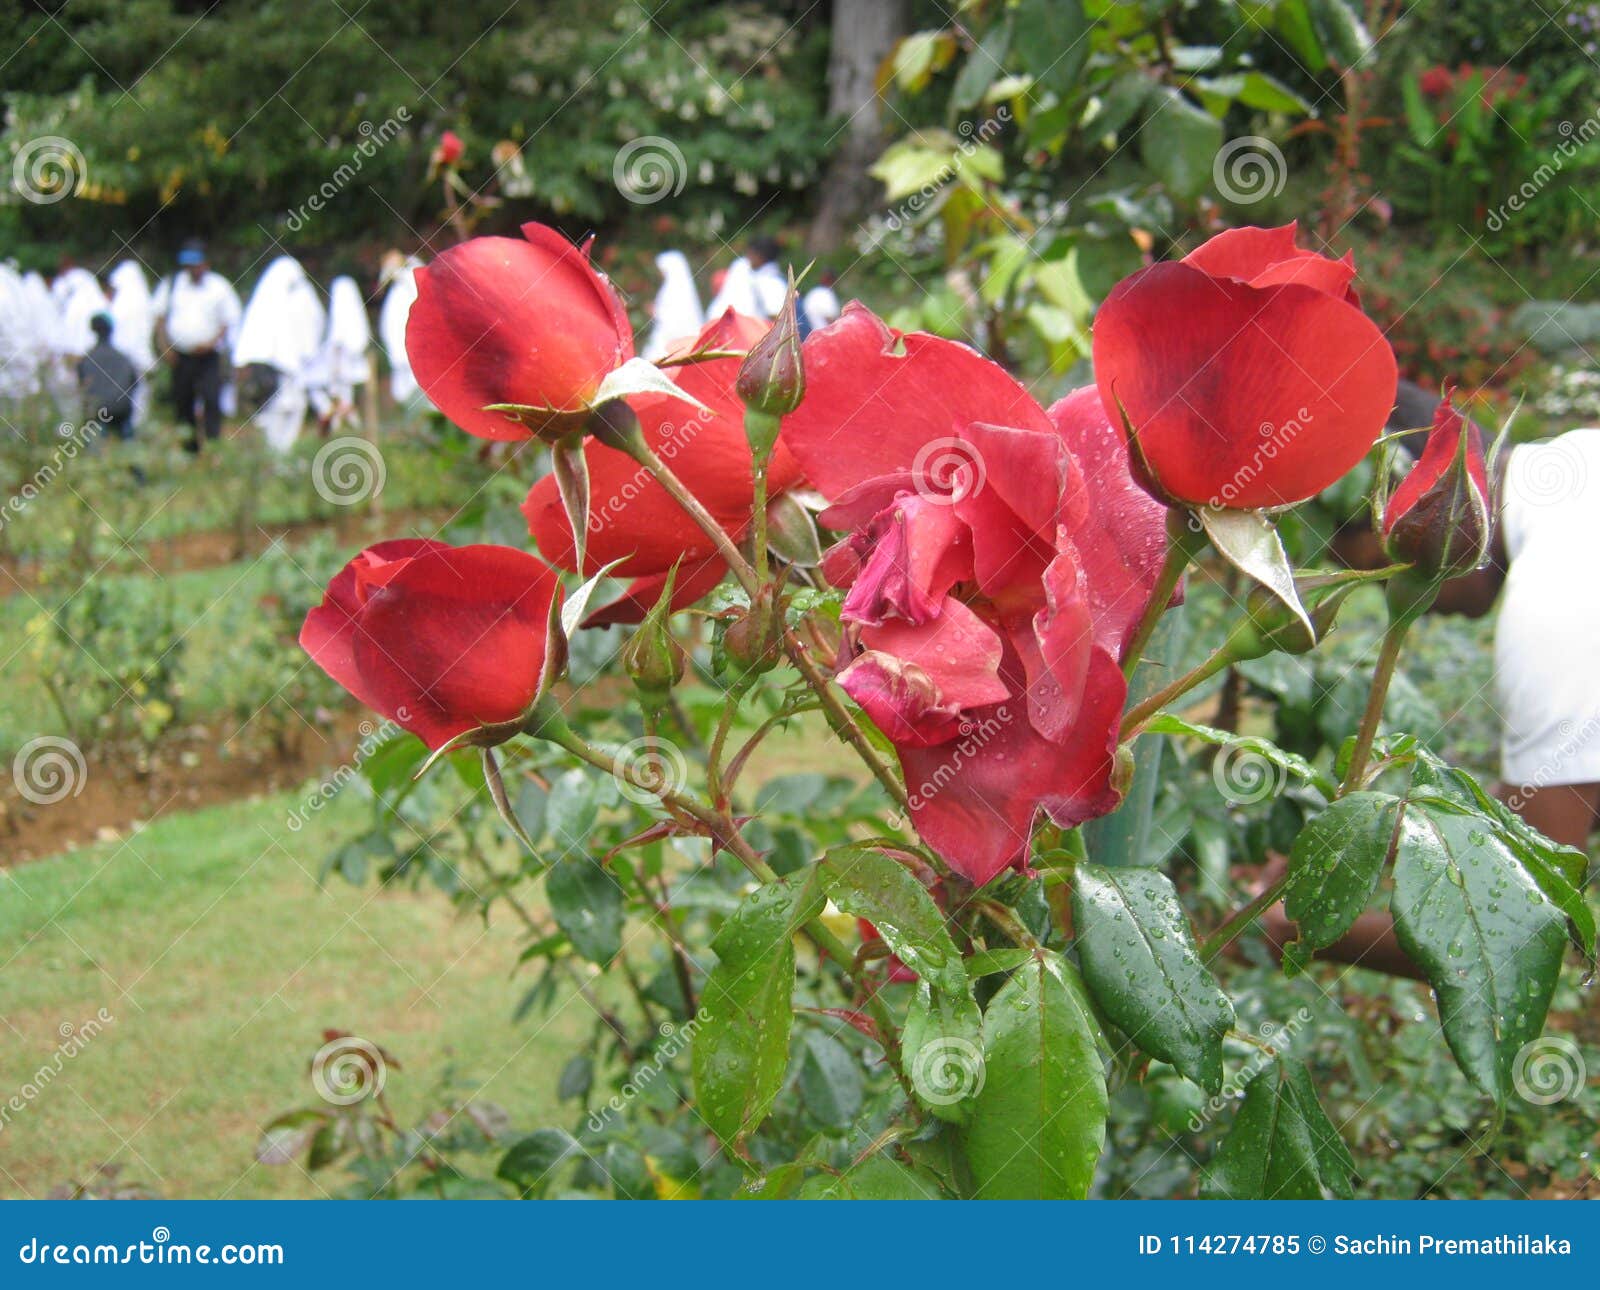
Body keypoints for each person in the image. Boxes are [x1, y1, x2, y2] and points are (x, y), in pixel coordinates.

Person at [152, 241, 240, 452]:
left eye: (196, 265)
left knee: (211, 398)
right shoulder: (172, 285)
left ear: (205, 264)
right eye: (188, 266)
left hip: (208, 355)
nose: (192, 271)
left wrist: (211, 343)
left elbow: (228, 321)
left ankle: (213, 444)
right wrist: (165, 347)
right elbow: (160, 319)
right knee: (183, 401)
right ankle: (189, 448)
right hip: (180, 355)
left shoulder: (219, 287)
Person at [231, 254, 325, 452]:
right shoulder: (268, 300)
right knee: (275, 412)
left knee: (296, 407)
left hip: (297, 368)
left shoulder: (302, 295)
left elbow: (315, 323)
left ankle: (285, 452)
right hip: (272, 370)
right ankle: (274, 453)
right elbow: (252, 336)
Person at [308, 274, 372, 432]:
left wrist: (336, 363)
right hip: (344, 363)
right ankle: (348, 429)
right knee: (341, 397)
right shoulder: (353, 310)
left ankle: (347, 430)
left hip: (340, 362)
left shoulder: (342, 307)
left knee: (340, 398)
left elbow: (338, 339)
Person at [107, 261, 156, 427]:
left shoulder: (122, 302)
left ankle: (127, 427)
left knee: (127, 393)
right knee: (138, 394)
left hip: (125, 355)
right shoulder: (144, 298)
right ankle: (133, 426)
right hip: (138, 355)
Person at [77, 313, 140, 442]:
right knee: (128, 446)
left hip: (98, 413)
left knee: (95, 447)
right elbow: (135, 382)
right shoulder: (123, 358)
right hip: (122, 411)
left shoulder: (87, 359)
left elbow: (82, 386)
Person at [378, 250, 426, 409]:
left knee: (419, 386)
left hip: (415, 347)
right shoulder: (397, 288)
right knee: (406, 391)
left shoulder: (410, 281)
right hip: (400, 348)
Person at [642, 250, 704, 359]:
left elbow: (672, 318)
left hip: (671, 339)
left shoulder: (674, 289)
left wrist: (654, 312)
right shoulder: (674, 288)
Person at [748, 235, 787, 320]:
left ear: (759, 256)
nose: (748, 258)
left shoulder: (770, 281)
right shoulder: (771, 277)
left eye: (750, 254)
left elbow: (777, 318)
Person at [801, 269, 842, 337]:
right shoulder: (827, 294)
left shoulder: (813, 292)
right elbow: (831, 319)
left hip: (807, 335)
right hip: (822, 336)